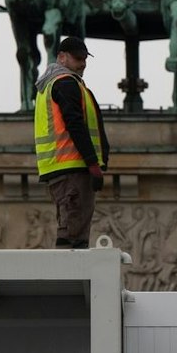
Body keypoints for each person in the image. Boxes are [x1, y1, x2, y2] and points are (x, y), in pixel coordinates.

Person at [32, 36, 110, 248]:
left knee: (72, 228)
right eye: (78, 58)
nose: (82, 63)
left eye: (85, 59)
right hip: (72, 168)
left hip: (63, 168)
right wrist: (93, 163)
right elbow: (75, 125)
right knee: (73, 234)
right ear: (61, 57)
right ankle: (69, 270)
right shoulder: (65, 83)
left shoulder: (54, 84)